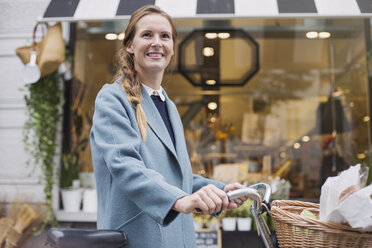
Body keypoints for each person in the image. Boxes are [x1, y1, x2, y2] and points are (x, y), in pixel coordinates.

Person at [90, 5, 248, 248]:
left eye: (165, 36)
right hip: (138, 239)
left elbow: (177, 177)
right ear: (130, 46)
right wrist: (181, 199)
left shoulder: (169, 107)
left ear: (173, 48)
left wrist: (220, 190)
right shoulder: (112, 99)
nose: (157, 42)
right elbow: (125, 166)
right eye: (147, 35)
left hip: (179, 239)